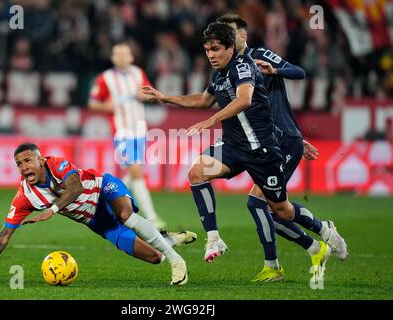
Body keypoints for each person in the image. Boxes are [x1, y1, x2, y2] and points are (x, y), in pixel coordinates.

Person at [141, 22, 330, 284]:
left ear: (231, 48)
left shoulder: (243, 66)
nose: (211, 55)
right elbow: (204, 100)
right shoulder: (218, 74)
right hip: (234, 146)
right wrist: (165, 98)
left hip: (260, 150)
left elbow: (245, 99)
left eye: (216, 49)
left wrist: (210, 121)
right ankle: (214, 239)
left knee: (282, 211)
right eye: (207, 50)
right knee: (196, 172)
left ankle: (322, 229)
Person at [214, 13, 348, 281]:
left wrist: (275, 70)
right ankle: (315, 244)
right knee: (273, 210)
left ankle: (279, 263)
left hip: (282, 139)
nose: (225, 41)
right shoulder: (227, 71)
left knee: (257, 202)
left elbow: (299, 72)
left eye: (230, 34)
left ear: (242, 37)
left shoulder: (259, 55)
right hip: (265, 140)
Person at [0, 142, 194, 286]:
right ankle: (169, 240)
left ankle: (177, 262)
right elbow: (4, 235)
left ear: (41, 160)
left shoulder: (56, 164)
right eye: (19, 164)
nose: (24, 167)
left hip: (104, 188)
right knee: (155, 257)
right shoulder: (25, 197)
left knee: (126, 215)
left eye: (28, 160)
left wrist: (52, 210)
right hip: (95, 221)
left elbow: (76, 188)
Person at [88, 41, 167, 230]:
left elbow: (148, 93)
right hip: (122, 131)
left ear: (131, 56)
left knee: (134, 172)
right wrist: (107, 106)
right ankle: (152, 217)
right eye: (118, 54)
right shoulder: (105, 78)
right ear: (113, 57)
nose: (122, 57)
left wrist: (145, 96)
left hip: (140, 129)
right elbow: (93, 103)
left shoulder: (138, 73)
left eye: (125, 54)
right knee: (137, 172)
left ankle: (106, 203)